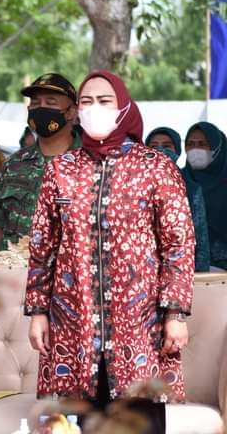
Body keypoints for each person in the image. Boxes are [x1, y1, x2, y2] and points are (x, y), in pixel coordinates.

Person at [26, 71, 194, 413]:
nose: (94, 109)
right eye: (87, 102)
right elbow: (43, 247)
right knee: (80, 423)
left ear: (124, 107)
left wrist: (176, 313)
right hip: (74, 324)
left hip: (140, 325)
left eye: (105, 101)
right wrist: (38, 311)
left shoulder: (156, 167)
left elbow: (178, 244)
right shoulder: (61, 169)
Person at [0, 73, 81, 252]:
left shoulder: (91, 164)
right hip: (12, 266)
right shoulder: (13, 164)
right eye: (35, 103)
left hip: (65, 266)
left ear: (71, 112)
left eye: (51, 103)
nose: (41, 108)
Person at [145, 127, 210, 272]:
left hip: (180, 270)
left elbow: (201, 238)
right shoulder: (133, 186)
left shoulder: (191, 188)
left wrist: (201, 274)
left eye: (167, 146)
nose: (160, 150)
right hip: (144, 271)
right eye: (154, 146)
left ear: (177, 151)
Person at [183, 122, 227, 270]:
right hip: (186, 267)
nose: (195, 149)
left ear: (217, 147)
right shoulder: (177, 179)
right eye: (190, 144)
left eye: (202, 144)